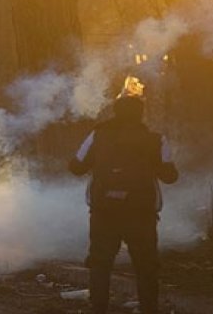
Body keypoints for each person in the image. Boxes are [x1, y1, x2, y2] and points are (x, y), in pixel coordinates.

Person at [69, 96, 179, 314]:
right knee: (146, 265)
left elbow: (76, 167)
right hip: (140, 213)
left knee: (100, 263)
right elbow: (170, 176)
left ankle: (98, 308)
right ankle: (149, 309)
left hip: (104, 211)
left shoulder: (97, 134)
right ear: (141, 113)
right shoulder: (155, 139)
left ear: (115, 112)